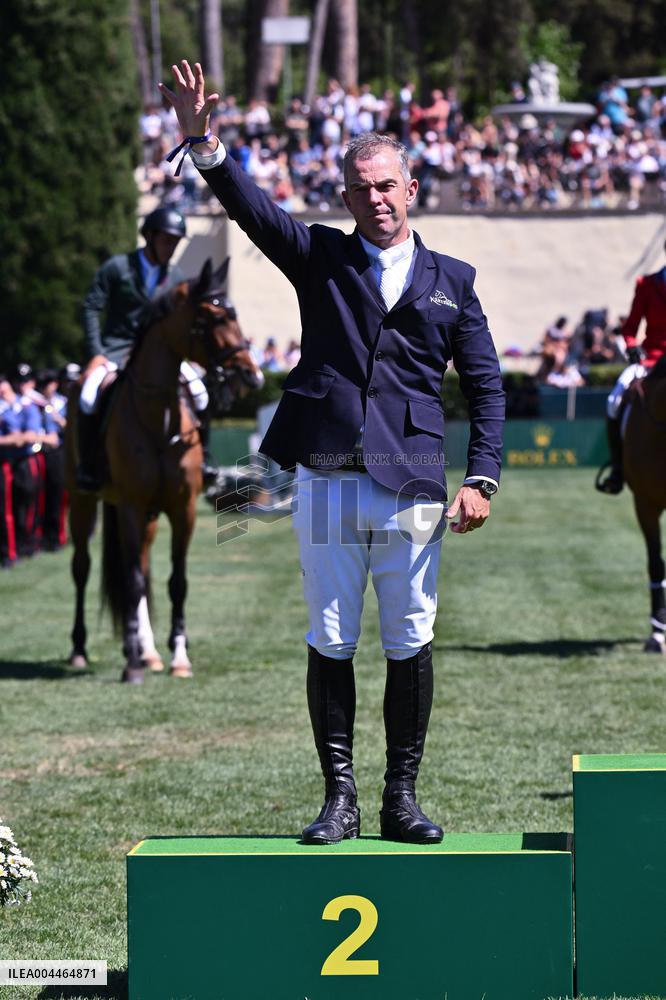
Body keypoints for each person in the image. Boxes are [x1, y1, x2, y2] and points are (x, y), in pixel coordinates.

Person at [160, 61, 505, 845]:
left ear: (411, 188)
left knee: (410, 640)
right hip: (323, 483)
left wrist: (481, 475)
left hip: (415, 483)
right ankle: (340, 799)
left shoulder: (455, 280)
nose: (375, 199)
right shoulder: (319, 257)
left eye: (387, 185)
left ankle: (401, 799)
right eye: (361, 188)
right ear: (346, 197)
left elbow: (486, 390)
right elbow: (253, 211)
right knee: (330, 638)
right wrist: (202, 140)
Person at [78, 206, 213, 490]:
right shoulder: (117, 267)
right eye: (167, 240)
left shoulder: (176, 277)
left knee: (200, 394)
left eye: (176, 242)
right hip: (116, 350)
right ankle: (90, 465)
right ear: (149, 237)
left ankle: (206, 460)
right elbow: (91, 307)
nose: (171, 247)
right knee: (89, 396)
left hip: (161, 356)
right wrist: (96, 352)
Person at [596, 241, 666, 494]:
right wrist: (632, 346)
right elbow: (630, 328)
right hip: (651, 360)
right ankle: (617, 469)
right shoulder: (646, 285)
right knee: (614, 400)